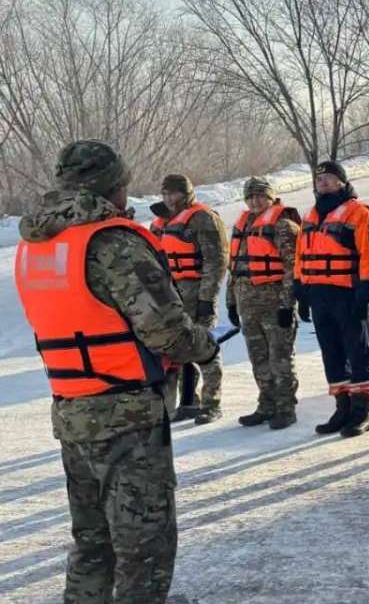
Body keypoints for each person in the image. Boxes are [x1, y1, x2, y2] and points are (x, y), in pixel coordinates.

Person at [16, 140, 218, 603]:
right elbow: (168, 334)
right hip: (127, 417)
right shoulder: (113, 243)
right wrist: (205, 348)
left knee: (92, 543)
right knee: (143, 549)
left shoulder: (36, 244)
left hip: (71, 411)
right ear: (112, 186)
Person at [295, 160, 369, 438]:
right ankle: (343, 407)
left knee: (357, 351)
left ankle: (362, 411)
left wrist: (366, 289)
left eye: (328, 177)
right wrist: (300, 289)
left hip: (348, 293)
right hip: (318, 293)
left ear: (341, 182)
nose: (322, 182)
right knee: (331, 353)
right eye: (318, 178)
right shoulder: (311, 215)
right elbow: (301, 254)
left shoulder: (359, 213)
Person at [149, 174, 228, 424]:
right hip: (170, 295)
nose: (169, 199)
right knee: (178, 348)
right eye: (165, 194)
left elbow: (216, 261)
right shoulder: (160, 223)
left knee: (204, 347)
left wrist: (207, 298)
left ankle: (212, 403)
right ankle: (189, 400)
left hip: (197, 291)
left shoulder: (203, 218)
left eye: (174, 193)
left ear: (187, 194)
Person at [227, 177, 302, 430]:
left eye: (260, 196)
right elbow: (234, 266)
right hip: (247, 304)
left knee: (280, 357)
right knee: (258, 358)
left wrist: (287, 305)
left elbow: (293, 268)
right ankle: (266, 404)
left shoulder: (283, 226)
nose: (255, 201)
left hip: (274, 303)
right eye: (250, 197)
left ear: (271, 197)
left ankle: (285, 407)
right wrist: (230, 302)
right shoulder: (243, 225)